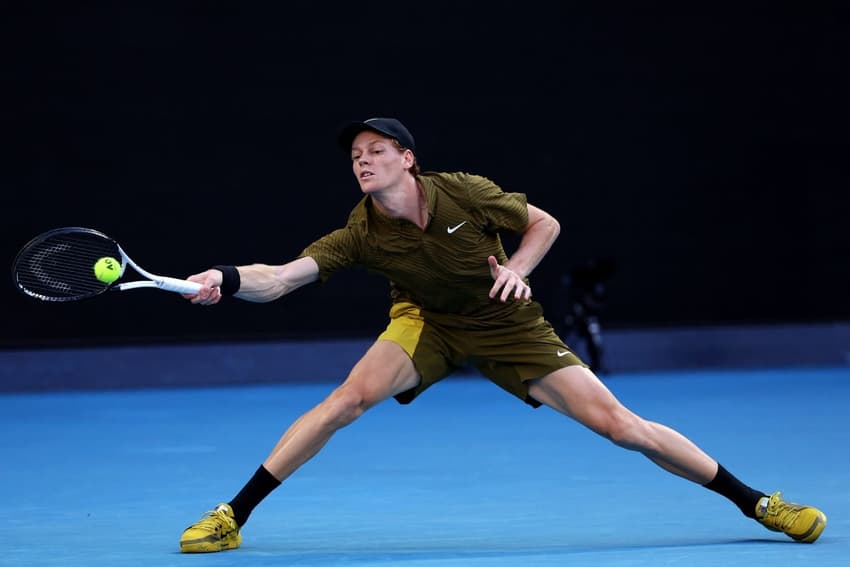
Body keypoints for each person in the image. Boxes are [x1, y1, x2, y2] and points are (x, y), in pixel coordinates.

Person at [178, 117, 826, 552]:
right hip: (426, 323)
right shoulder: (360, 232)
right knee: (344, 401)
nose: (364, 161)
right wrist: (228, 278)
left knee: (622, 426)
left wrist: (516, 270)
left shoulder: (463, 192)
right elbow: (284, 276)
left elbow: (544, 222)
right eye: (355, 156)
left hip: (507, 325)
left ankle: (758, 503)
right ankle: (233, 515)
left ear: (408, 159)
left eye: (377, 151)